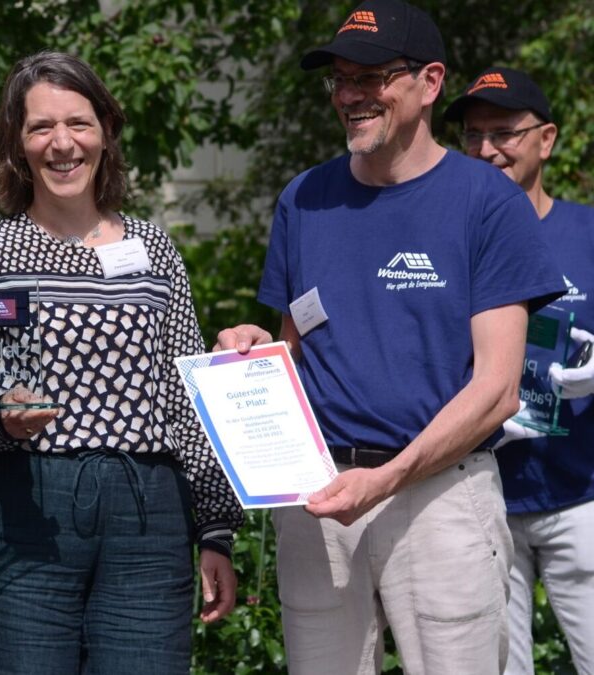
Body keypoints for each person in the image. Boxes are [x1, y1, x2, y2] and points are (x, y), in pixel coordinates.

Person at [218, 1, 566, 673]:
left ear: (430, 82)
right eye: (340, 79)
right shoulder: (304, 199)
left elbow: (496, 390)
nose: (350, 95)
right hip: (319, 497)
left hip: (441, 495)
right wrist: (251, 353)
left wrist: (385, 478)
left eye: (372, 77)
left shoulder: (487, 201)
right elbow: (295, 348)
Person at [0, 51, 253, 675]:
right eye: (41, 127)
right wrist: (3, 419)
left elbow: (185, 398)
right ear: (18, 143)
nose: (62, 144)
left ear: (106, 131)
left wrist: (216, 528)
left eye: (79, 123)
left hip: (148, 518)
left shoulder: (154, 248)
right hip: (25, 512)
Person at [445, 66, 594, 675]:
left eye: (504, 132)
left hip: (580, 492)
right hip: (481, 489)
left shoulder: (586, 230)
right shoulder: (447, 239)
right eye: (472, 135)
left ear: (546, 138)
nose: (485, 150)